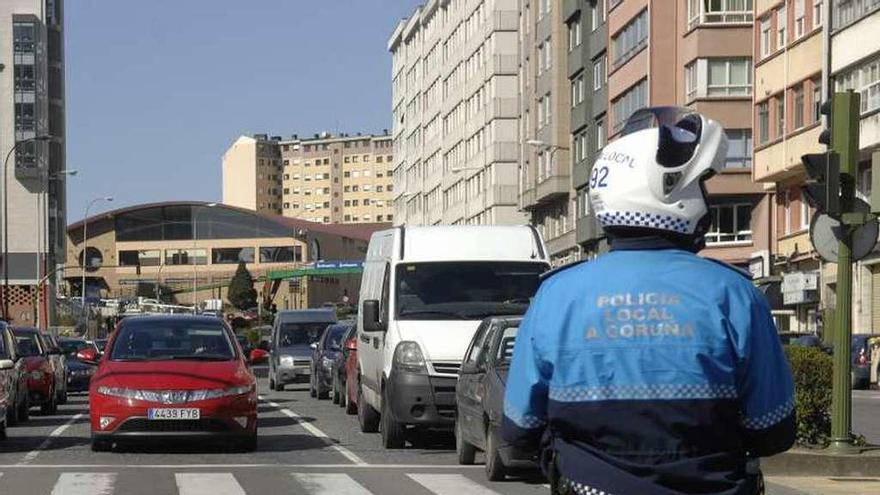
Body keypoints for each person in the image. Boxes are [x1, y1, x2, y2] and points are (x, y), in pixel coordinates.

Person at [502, 107, 795, 495]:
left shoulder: (556, 294)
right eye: (700, 186)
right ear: (673, 193)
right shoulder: (735, 294)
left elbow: (519, 427)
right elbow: (773, 429)